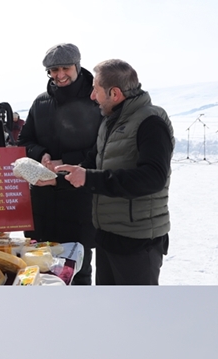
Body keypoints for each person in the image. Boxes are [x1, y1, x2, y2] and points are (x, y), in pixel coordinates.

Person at [54, 60, 174, 285]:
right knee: (109, 312)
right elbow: (90, 165)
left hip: (138, 243)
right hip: (108, 237)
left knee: (136, 315)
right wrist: (54, 179)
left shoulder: (151, 122)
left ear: (115, 93)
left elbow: (153, 177)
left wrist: (89, 177)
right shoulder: (110, 122)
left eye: (96, 90)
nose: (92, 97)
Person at [18, 44, 102, 284]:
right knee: (38, 270)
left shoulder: (95, 101)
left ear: (77, 66)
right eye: (54, 70)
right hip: (42, 203)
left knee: (78, 271)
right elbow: (25, 141)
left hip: (78, 202)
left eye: (65, 68)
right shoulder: (41, 102)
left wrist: (65, 162)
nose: (60, 74)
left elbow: (101, 149)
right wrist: (41, 155)